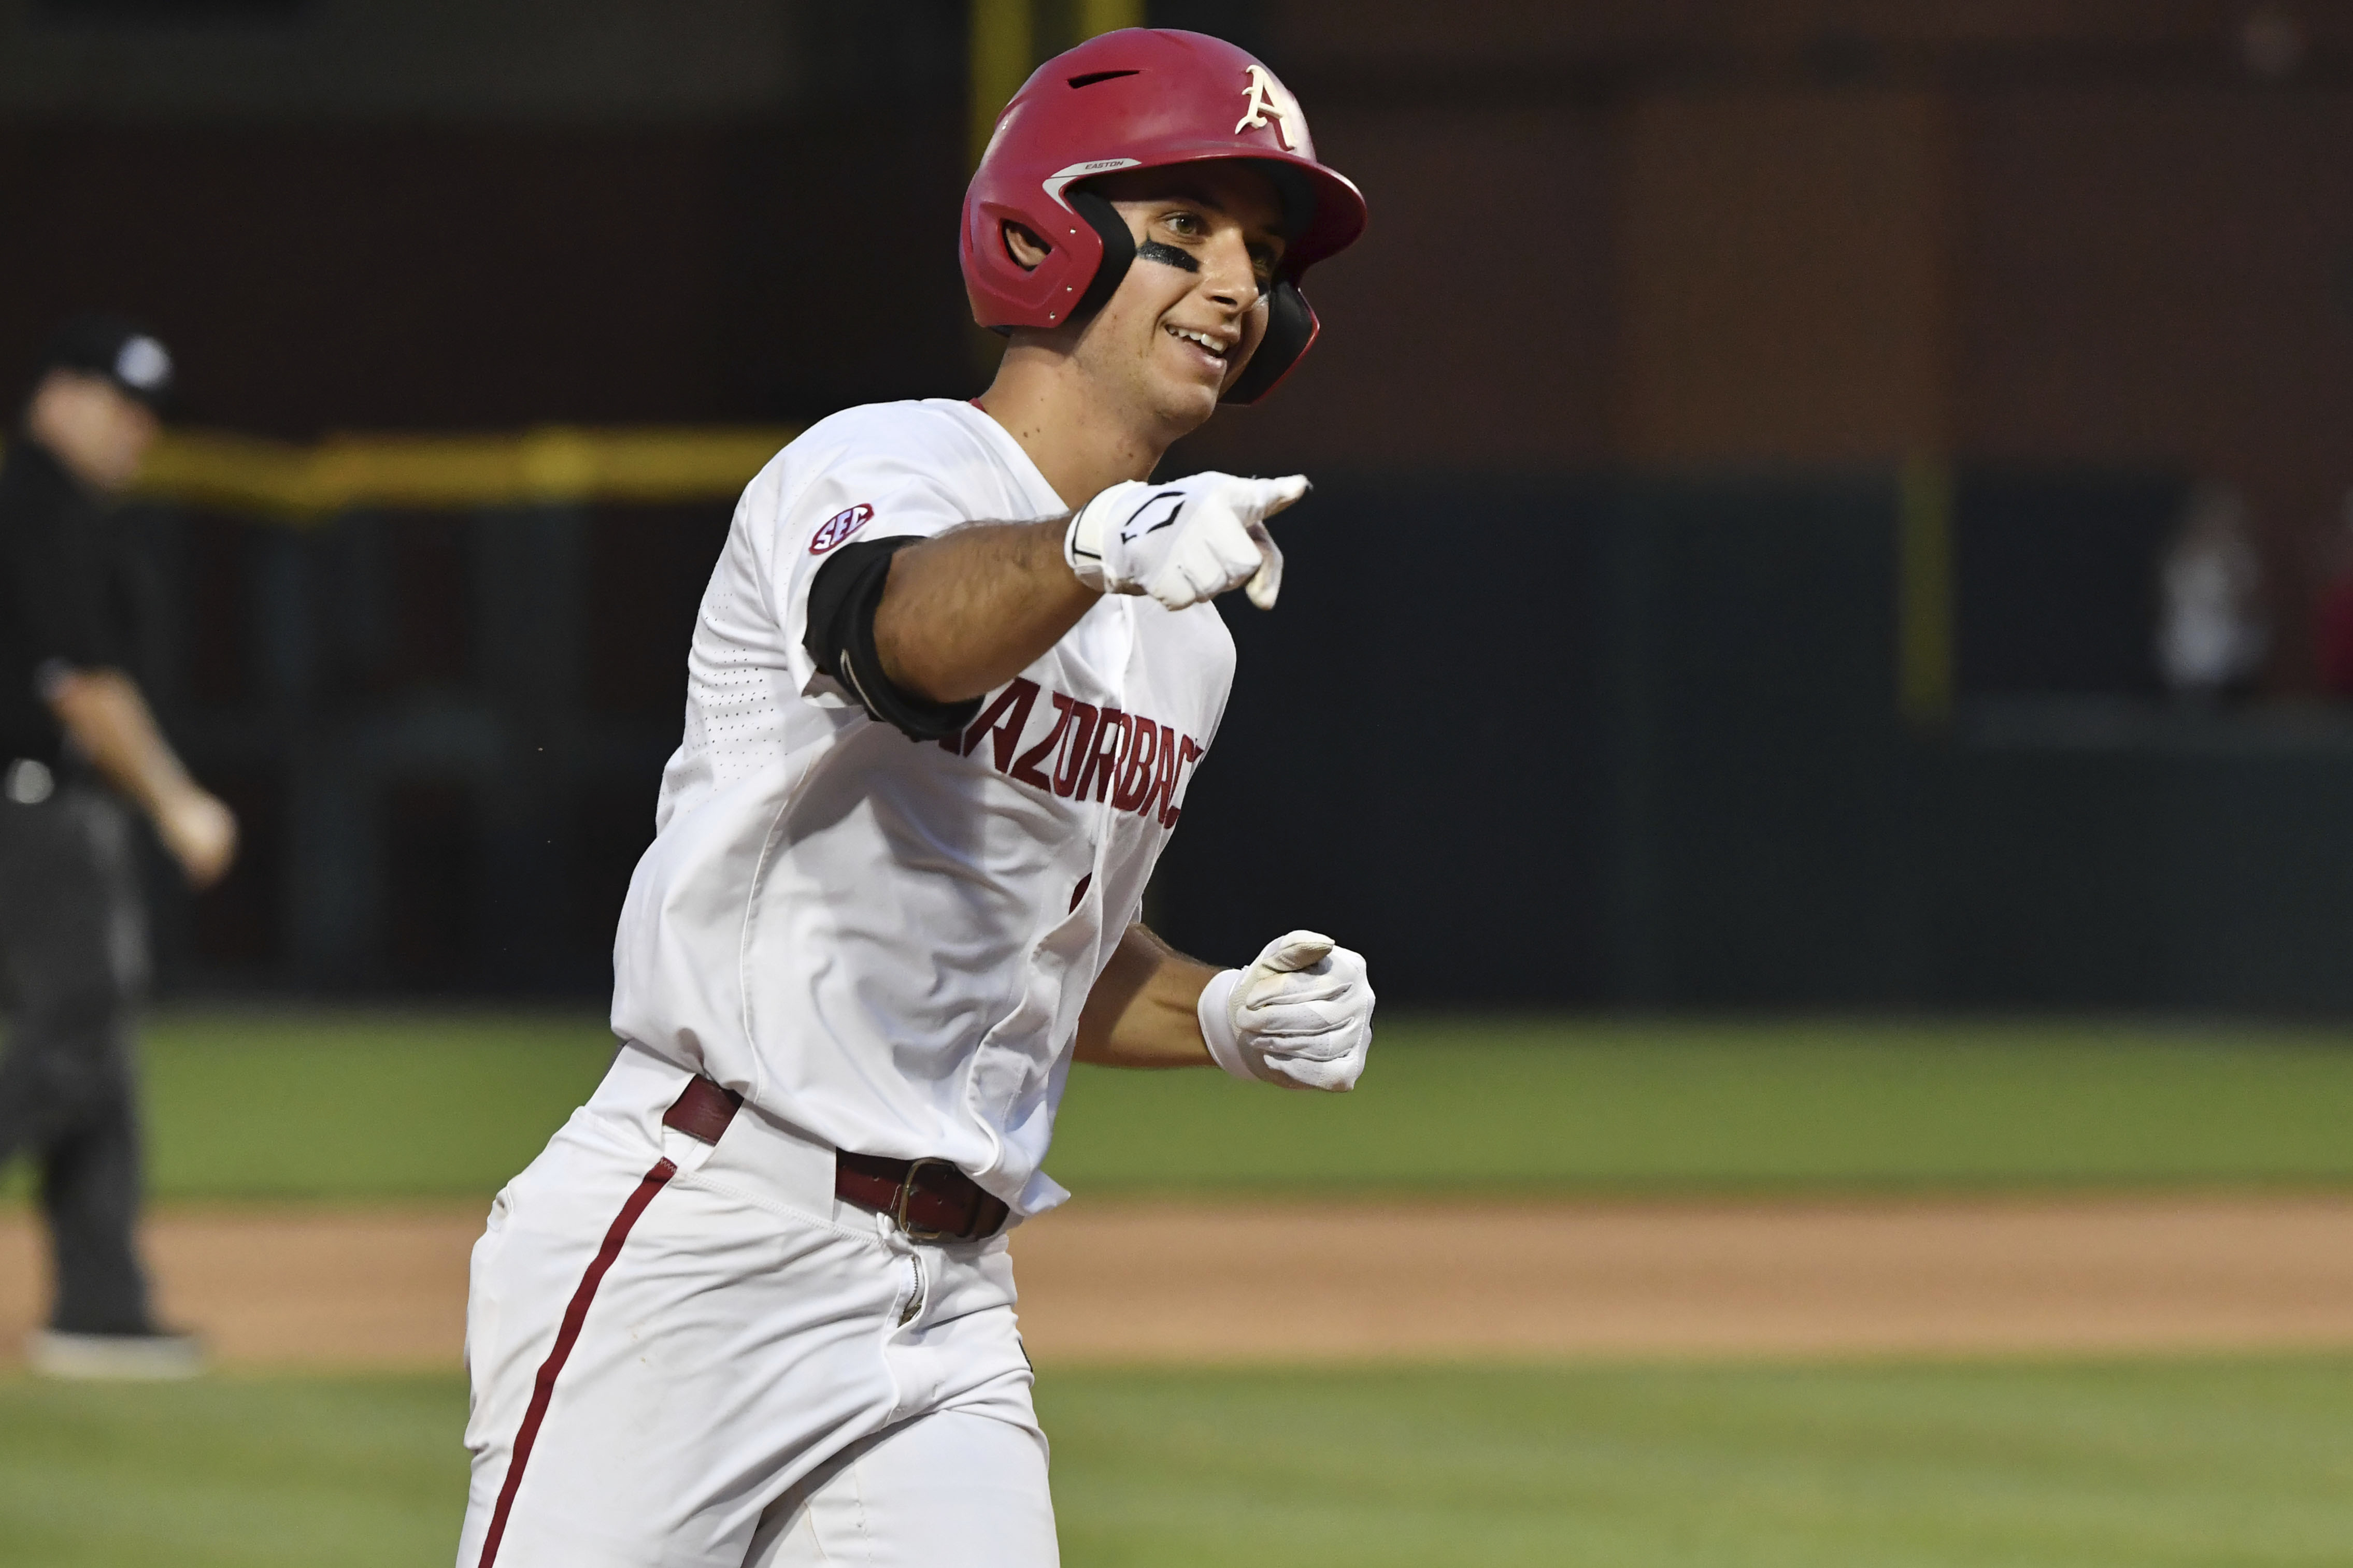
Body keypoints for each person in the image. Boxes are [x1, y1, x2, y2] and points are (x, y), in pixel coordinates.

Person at [457, 29, 1373, 1568]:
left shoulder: (1187, 633)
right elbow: (897, 641)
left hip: (946, 1300)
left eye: (1261, 257)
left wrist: (1215, 1010)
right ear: (1047, 233)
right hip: (704, 1238)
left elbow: (1052, 954)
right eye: (1186, 234)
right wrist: (1090, 548)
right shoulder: (882, 463)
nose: (1235, 287)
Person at [0, 315, 238, 1379]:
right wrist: (178, 800)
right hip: (34, 807)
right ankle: (99, 1299)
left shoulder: (66, 509)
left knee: (94, 1045)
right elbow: (80, 682)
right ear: (56, 394)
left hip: (47, 806)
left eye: (147, 409)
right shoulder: (39, 501)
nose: (134, 426)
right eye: (114, 397)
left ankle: (100, 1301)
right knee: (75, 1043)